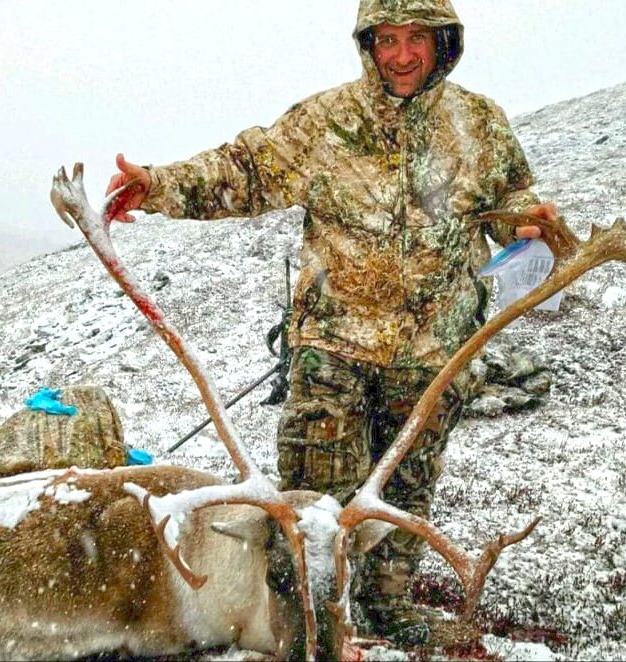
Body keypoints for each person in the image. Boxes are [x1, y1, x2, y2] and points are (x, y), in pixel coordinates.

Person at [105, 0, 557, 647]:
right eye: (388, 40)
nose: (402, 55)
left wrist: (525, 223)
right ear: (368, 44)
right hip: (332, 349)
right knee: (314, 503)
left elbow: (508, 199)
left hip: (433, 355)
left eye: (417, 40)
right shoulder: (328, 121)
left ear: (443, 43)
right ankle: (306, 624)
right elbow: (247, 169)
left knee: (403, 492)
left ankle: (388, 607)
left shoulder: (478, 123)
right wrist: (158, 185)